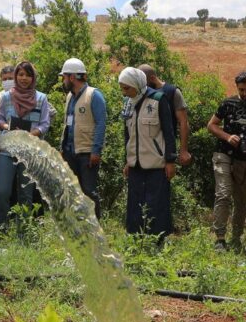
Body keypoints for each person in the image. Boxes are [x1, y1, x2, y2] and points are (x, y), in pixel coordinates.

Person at [206, 70, 246, 250]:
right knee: (224, 194)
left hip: (245, 157)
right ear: (237, 88)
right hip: (223, 154)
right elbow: (211, 125)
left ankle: (236, 238)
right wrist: (227, 136)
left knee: (242, 200)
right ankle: (219, 238)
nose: (245, 93)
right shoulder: (228, 103)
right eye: (241, 90)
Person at [119, 67, 177, 245]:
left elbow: (169, 132)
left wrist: (170, 161)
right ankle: (137, 241)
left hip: (156, 163)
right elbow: (128, 134)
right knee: (135, 203)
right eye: (122, 88)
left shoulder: (158, 100)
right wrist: (128, 161)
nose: (124, 92)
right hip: (135, 164)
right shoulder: (128, 103)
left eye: (127, 88)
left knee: (156, 204)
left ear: (137, 84)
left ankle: (159, 241)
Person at [0, 61, 50, 234]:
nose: (24, 78)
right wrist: (7, 128)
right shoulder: (6, 97)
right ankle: (1, 229)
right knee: (2, 191)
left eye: (28, 75)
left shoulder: (41, 98)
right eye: (21, 74)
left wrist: (32, 134)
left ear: (33, 78)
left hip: (29, 151)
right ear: (16, 76)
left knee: (26, 194)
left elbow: (45, 124)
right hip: (7, 150)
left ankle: (23, 232)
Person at [59, 58, 107, 218]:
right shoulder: (69, 97)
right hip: (70, 151)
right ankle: (79, 225)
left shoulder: (94, 95)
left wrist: (96, 150)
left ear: (72, 77)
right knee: (73, 190)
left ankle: (95, 226)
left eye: (64, 77)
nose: (63, 80)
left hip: (87, 152)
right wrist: (62, 148)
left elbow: (101, 123)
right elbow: (67, 124)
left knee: (89, 191)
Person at [138, 64, 192, 167]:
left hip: (164, 148)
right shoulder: (141, 93)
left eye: (144, 83)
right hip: (144, 149)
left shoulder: (172, 92)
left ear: (152, 78)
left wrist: (183, 150)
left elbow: (183, 122)